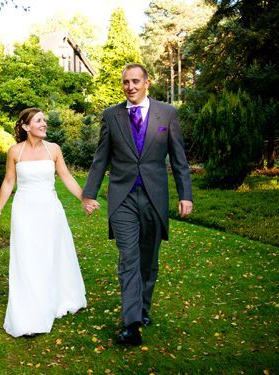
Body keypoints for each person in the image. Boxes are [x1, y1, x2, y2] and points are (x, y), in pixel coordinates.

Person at [82, 63, 193, 346]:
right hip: (123, 198)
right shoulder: (111, 115)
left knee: (148, 260)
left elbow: (179, 158)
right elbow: (101, 157)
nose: (129, 86)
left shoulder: (167, 114)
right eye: (125, 82)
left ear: (147, 83)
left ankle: (143, 309)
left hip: (155, 197)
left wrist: (185, 194)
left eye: (135, 81)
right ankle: (131, 324)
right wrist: (89, 193)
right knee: (128, 258)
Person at [0, 107, 91, 338]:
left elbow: (66, 176)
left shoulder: (54, 149)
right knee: (26, 256)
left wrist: (84, 199)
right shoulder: (15, 151)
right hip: (24, 210)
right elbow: (8, 183)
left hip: (50, 210)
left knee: (52, 253)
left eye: (44, 120)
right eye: (38, 120)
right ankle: (30, 308)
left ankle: (57, 297)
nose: (44, 123)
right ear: (26, 127)